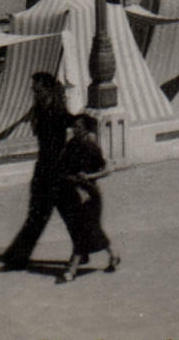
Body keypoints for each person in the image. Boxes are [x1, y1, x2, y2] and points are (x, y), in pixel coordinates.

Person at [0, 72, 73, 270]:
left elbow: (75, 124)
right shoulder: (41, 109)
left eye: (37, 89)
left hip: (57, 170)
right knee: (45, 214)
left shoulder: (57, 110)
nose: (33, 92)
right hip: (45, 169)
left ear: (47, 89)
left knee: (51, 214)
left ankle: (18, 255)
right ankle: (18, 254)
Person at [55, 115, 120, 283]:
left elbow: (108, 169)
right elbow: (62, 167)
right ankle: (113, 256)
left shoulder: (91, 147)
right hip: (73, 193)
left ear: (85, 129)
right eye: (73, 126)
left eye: (77, 126)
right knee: (91, 229)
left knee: (82, 231)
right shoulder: (71, 145)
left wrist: (89, 176)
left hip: (90, 195)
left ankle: (72, 270)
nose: (74, 129)